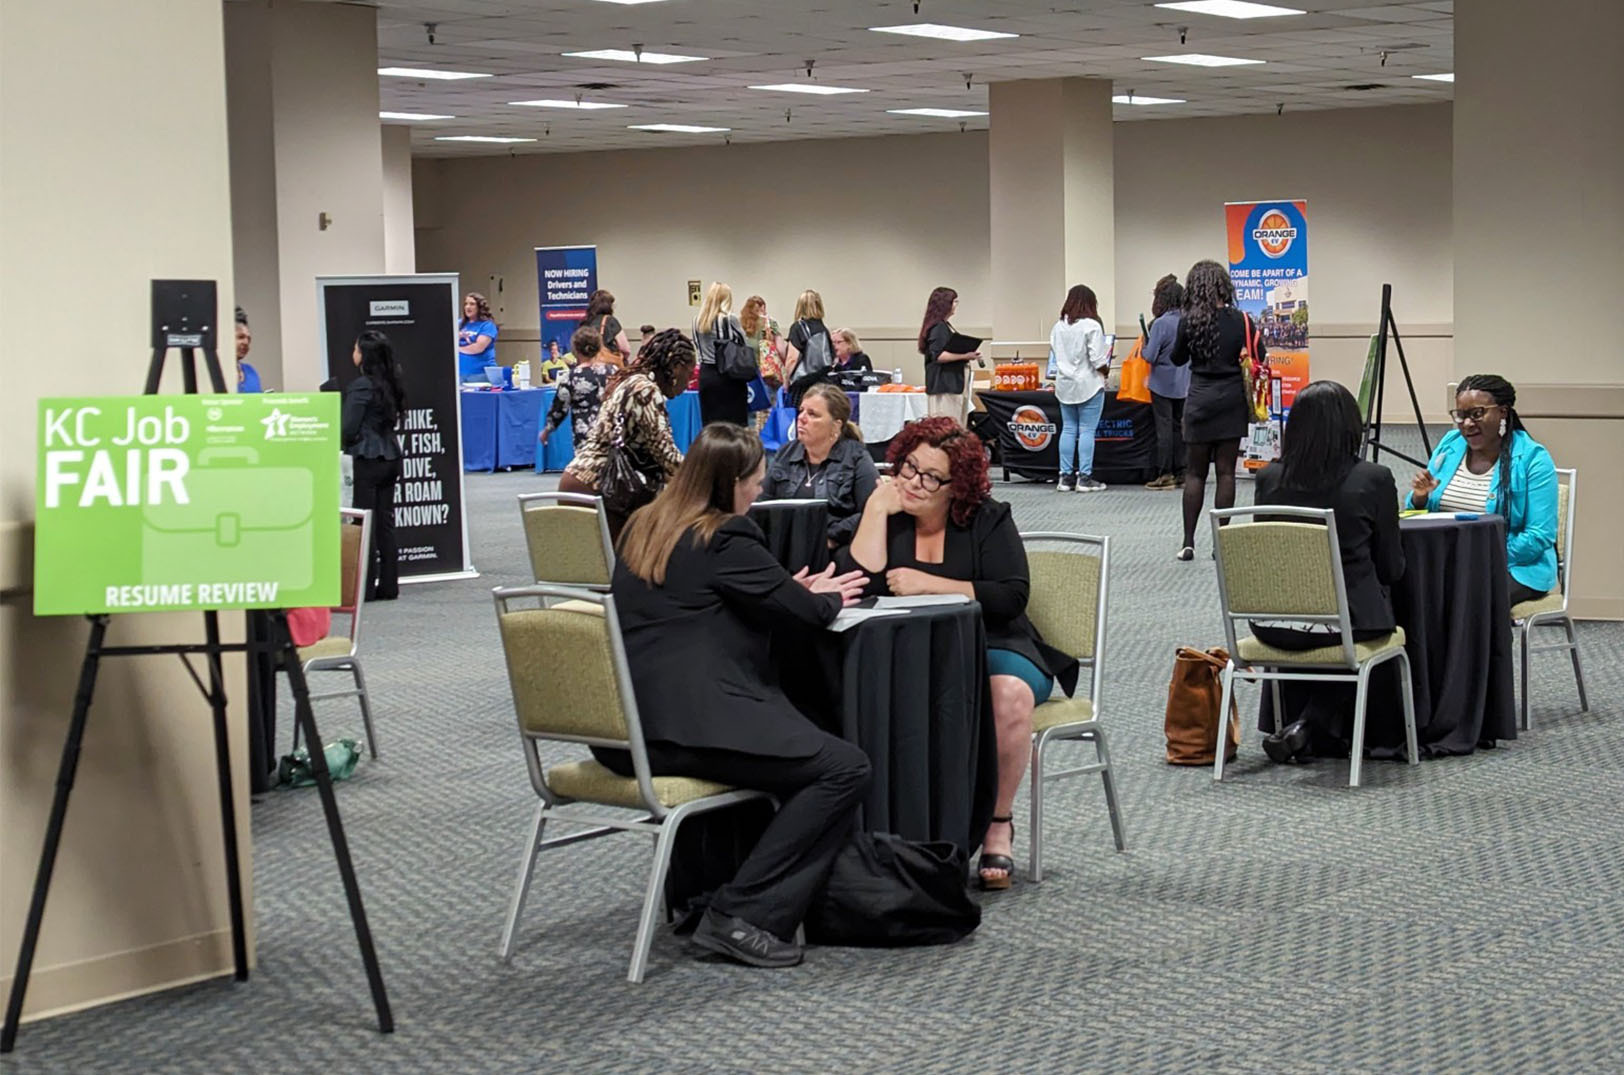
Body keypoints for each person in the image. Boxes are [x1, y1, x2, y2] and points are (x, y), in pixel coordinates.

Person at [605, 423, 871, 968]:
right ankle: (742, 914)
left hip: (622, 729)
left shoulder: (644, 526)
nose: (759, 492)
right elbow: (804, 614)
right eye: (754, 481)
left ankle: (712, 894)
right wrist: (819, 596)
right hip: (688, 728)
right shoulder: (725, 535)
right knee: (842, 768)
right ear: (729, 483)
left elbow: (698, 599)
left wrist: (781, 590)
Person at [839, 417, 1078, 889]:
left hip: (994, 643)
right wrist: (873, 512)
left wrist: (932, 585)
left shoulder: (988, 518)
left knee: (1008, 696)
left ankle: (997, 824)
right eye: (908, 468)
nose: (914, 483)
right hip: (911, 652)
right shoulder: (889, 514)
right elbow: (856, 582)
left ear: (957, 487)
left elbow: (1011, 596)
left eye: (930, 477)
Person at [1250, 381, 1405, 762]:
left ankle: (1307, 726)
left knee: (1337, 630)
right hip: (1346, 622)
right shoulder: (1373, 478)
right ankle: (1318, 725)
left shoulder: (1269, 478)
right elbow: (1391, 568)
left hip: (1273, 622)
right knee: (1372, 625)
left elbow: (1264, 556)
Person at [1407, 374, 1558, 607]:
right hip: (1445, 562)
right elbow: (1416, 514)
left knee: (1464, 598)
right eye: (1461, 415)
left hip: (1514, 566)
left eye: (1477, 413)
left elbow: (1539, 535)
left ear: (1503, 412)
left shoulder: (1532, 458)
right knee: (1406, 590)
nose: (1467, 424)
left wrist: (1478, 557)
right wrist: (1420, 497)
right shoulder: (1451, 444)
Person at [559, 328, 695, 539]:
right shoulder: (645, 389)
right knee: (634, 562)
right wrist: (704, 478)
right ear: (676, 368)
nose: (688, 383)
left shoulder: (632, 380)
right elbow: (665, 455)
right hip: (597, 486)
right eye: (689, 373)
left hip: (579, 481)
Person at [1170, 260, 1264, 561]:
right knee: (1226, 473)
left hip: (1199, 400)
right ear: (1225, 285)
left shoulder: (1189, 321)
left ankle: (1188, 542)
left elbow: (1176, 358)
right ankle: (1220, 542)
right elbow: (1260, 356)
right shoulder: (1242, 320)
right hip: (1231, 401)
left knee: (1195, 473)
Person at [759, 383, 879, 545]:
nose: (801, 418)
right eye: (801, 411)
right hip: (785, 543)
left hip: (834, 545)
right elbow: (762, 503)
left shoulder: (856, 457)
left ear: (835, 426)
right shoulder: (786, 453)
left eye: (813, 414)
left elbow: (872, 511)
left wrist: (831, 537)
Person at [342, 330, 406, 601]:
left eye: (355, 348)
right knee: (385, 523)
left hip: (368, 459)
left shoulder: (361, 386)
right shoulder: (392, 382)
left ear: (363, 355)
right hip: (391, 457)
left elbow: (348, 427)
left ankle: (365, 588)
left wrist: (349, 442)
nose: (352, 353)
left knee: (364, 523)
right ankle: (389, 585)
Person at [1048, 284, 1111, 493]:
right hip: (1089, 385)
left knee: (1068, 429)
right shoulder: (1092, 326)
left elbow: (1056, 354)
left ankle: (1064, 478)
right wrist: (1106, 371)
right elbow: (1097, 359)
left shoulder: (1058, 326)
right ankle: (1084, 478)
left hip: (1065, 385)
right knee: (1087, 430)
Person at [1143, 274, 1189, 490]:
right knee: (1179, 428)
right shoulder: (1187, 320)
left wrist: (1145, 346)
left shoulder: (1160, 324)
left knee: (1163, 429)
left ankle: (1165, 473)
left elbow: (1150, 356)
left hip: (1161, 384)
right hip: (1184, 384)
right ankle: (1182, 472)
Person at [541, 326, 613, 446]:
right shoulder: (612, 372)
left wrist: (546, 431)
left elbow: (559, 410)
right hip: (611, 436)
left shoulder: (571, 378)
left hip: (585, 439)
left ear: (575, 350)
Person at [918, 287, 980, 424]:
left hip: (952, 385)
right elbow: (938, 355)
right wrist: (965, 355)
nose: (956, 305)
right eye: (954, 301)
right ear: (945, 304)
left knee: (956, 426)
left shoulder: (944, 326)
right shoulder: (939, 328)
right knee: (948, 427)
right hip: (945, 387)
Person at [693, 281, 749, 426]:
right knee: (733, 426)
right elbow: (744, 343)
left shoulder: (697, 321)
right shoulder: (729, 319)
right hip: (728, 376)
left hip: (706, 376)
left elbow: (697, 346)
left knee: (711, 425)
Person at [782, 290, 835, 400]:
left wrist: (785, 381)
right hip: (823, 382)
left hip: (803, 384)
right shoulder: (824, 329)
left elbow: (792, 358)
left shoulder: (799, 327)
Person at [457, 292, 499, 382]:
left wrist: (457, 348)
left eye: (472, 304)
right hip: (459, 373)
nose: (468, 307)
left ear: (479, 307)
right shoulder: (458, 324)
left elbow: (478, 348)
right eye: (466, 304)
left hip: (480, 374)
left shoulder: (487, 325)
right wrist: (457, 337)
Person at [580, 288, 632, 361]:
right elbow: (625, 348)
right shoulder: (610, 321)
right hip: (608, 363)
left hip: (589, 363)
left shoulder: (584, 323)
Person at [234, 307, 262, 393]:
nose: (246, 342)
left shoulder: (251, 372)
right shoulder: (213, 375)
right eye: (240, 337)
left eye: (248, 339)